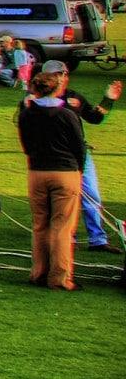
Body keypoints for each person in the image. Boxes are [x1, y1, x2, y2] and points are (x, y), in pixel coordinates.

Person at [15, 64, 89, 290]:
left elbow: (25, 144)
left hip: (37, 171)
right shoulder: (67, 114)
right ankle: (59, 277)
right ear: (57, 89)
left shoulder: (27, 114)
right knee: (62, 227)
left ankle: (38, 272)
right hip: (65, 171)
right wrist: (79, 169)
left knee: (40, 225)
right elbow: (79, 147)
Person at [51, 69, 122, 253]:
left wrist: (108, 99)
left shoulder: (74, 97)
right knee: (64, 197)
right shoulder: (36, 100)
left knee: (92, 194)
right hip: (56, 156)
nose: (63, 78)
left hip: (81, 153)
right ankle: (66, 237)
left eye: (64, 74)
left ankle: (97, 240)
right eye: (58, 74)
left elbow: (94, 117)